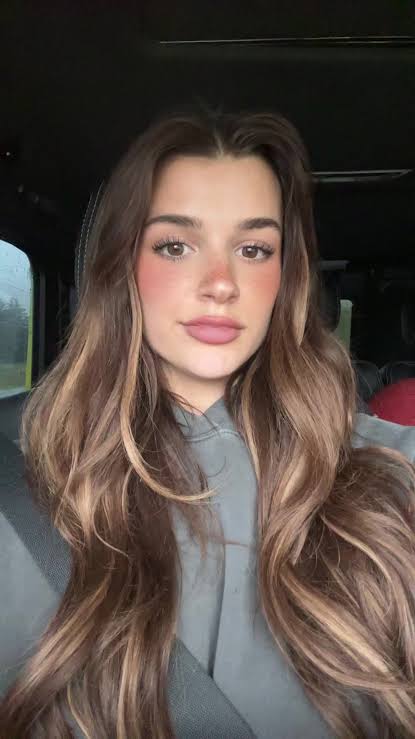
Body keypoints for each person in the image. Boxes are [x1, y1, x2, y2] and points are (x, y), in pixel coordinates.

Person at [1, 106, 415, 739]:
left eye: (253, 249)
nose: (221, 283)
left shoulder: (389, 472)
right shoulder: (22, 476)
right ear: (122, 266)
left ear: (286, 278)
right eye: (175, 245)